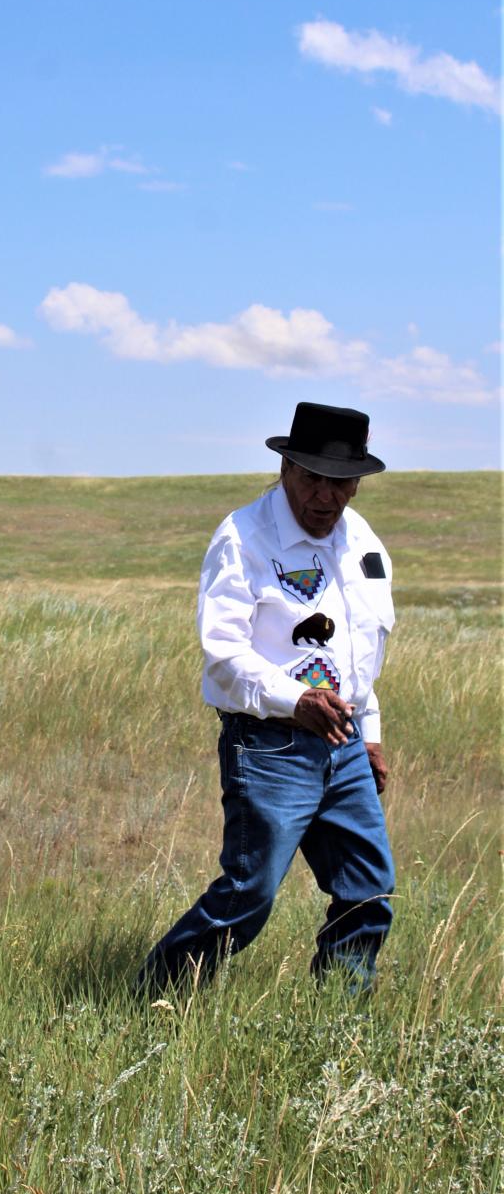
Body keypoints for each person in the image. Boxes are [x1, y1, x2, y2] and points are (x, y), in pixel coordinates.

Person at [138, 402, 395, 996]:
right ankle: (155, 994)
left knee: (368, 890)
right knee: (249, 894)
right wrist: (295, 701)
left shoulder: (362, 542)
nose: (326, 498)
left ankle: (337, 1022)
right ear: (285, 469)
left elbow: (358, 653)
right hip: (269, 744)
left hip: (346, 743)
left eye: (341, 483)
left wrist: (371, 734)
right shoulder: (243, 538)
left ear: (358, 482)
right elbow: (224, 657)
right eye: (313, 479)